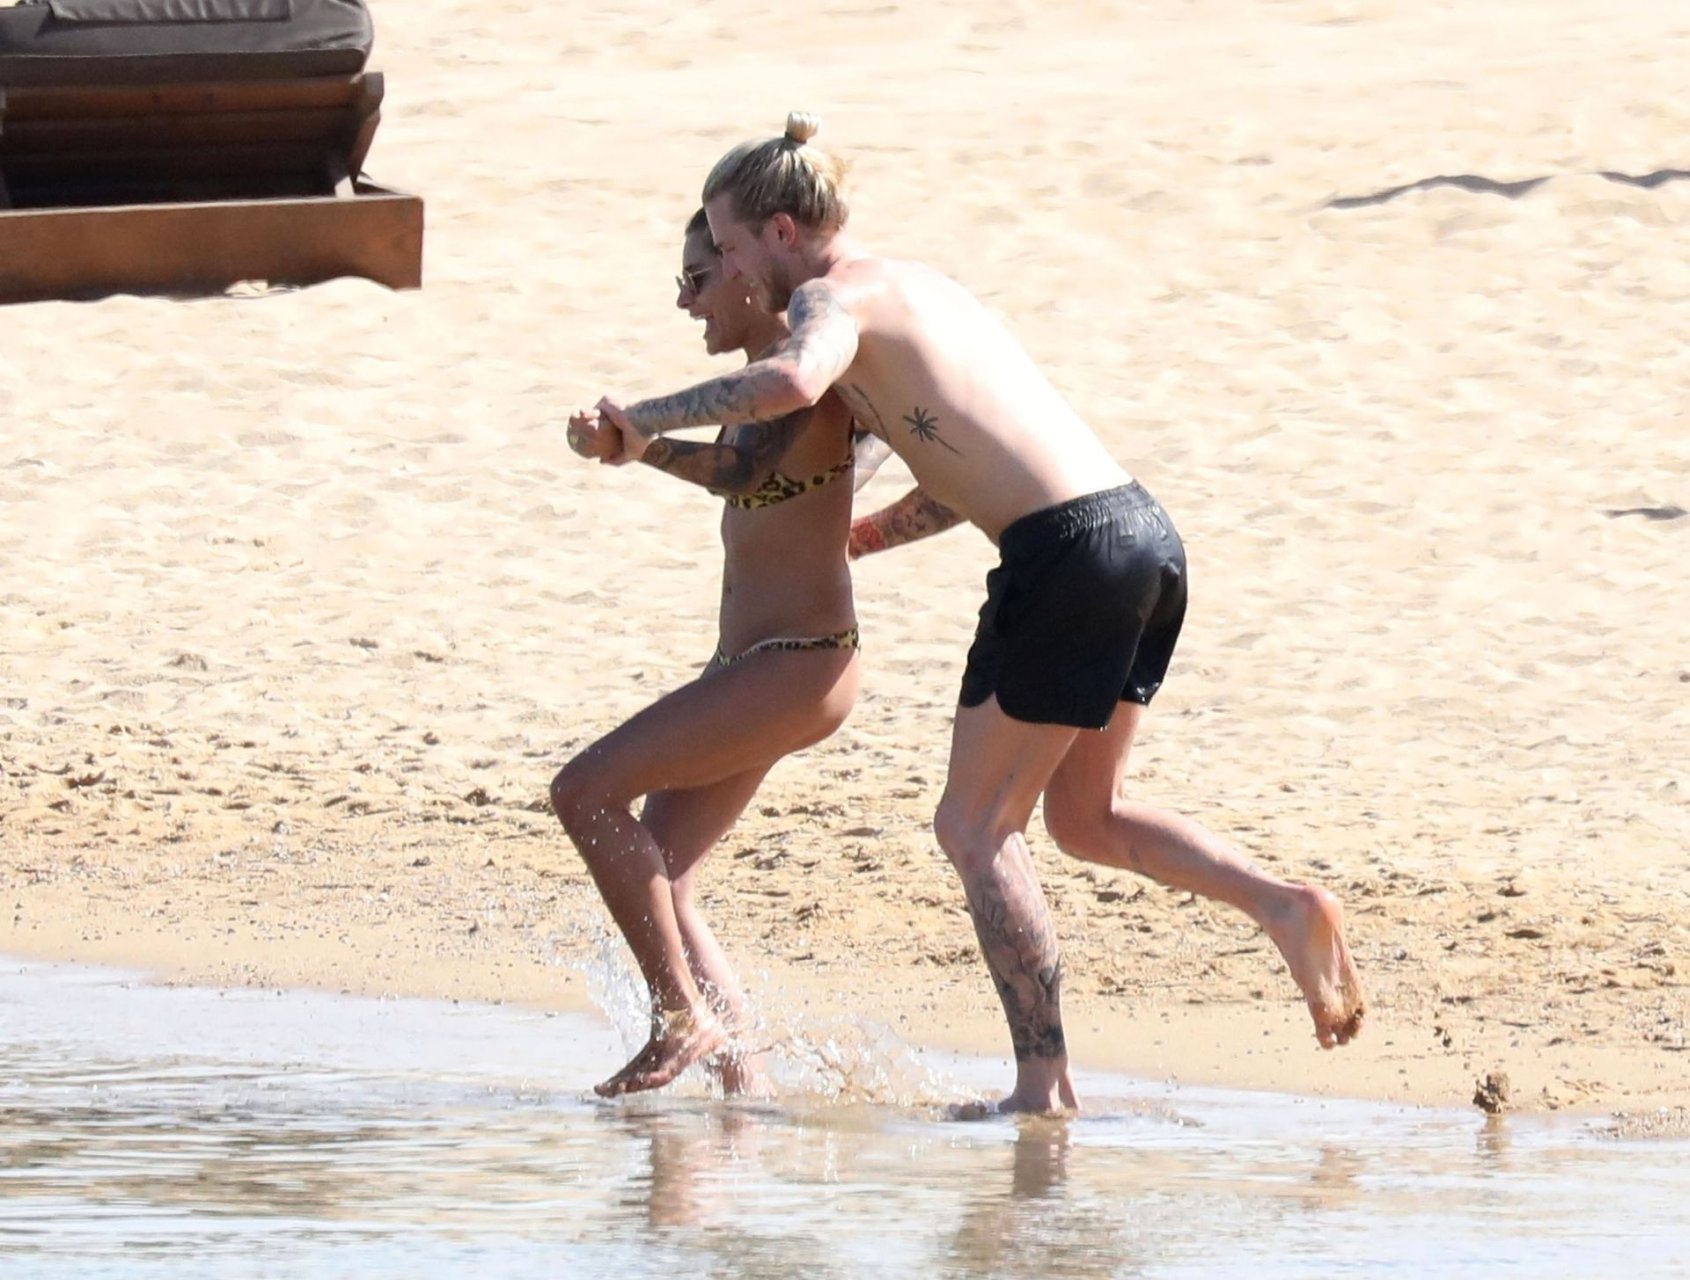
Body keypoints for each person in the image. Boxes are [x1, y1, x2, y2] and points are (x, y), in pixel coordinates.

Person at [587, 113, 1368, 1113]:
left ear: (782, 231)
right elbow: (960, 476)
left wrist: (639, 422)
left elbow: (790, 381)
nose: (730, 270)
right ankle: (1283, 906)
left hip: (1065, 554)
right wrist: (864, 538)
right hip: (1141, 534)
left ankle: (1043, 1086)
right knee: (1084, 818)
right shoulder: (923, 290)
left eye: (731, 248)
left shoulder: (833, 299)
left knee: (973, 826)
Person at [553, 208, 881, 1099]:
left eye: (698, 279)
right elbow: (776, 477)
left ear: (743, 272)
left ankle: (682, 1019)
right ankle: (748, 1096)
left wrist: (639, 442)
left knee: (582, 793)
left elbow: (744, 474)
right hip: (757, 665)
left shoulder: (800, 382)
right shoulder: (769, 384)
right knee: (663, 873)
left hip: (796, 663)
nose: (687, 302)